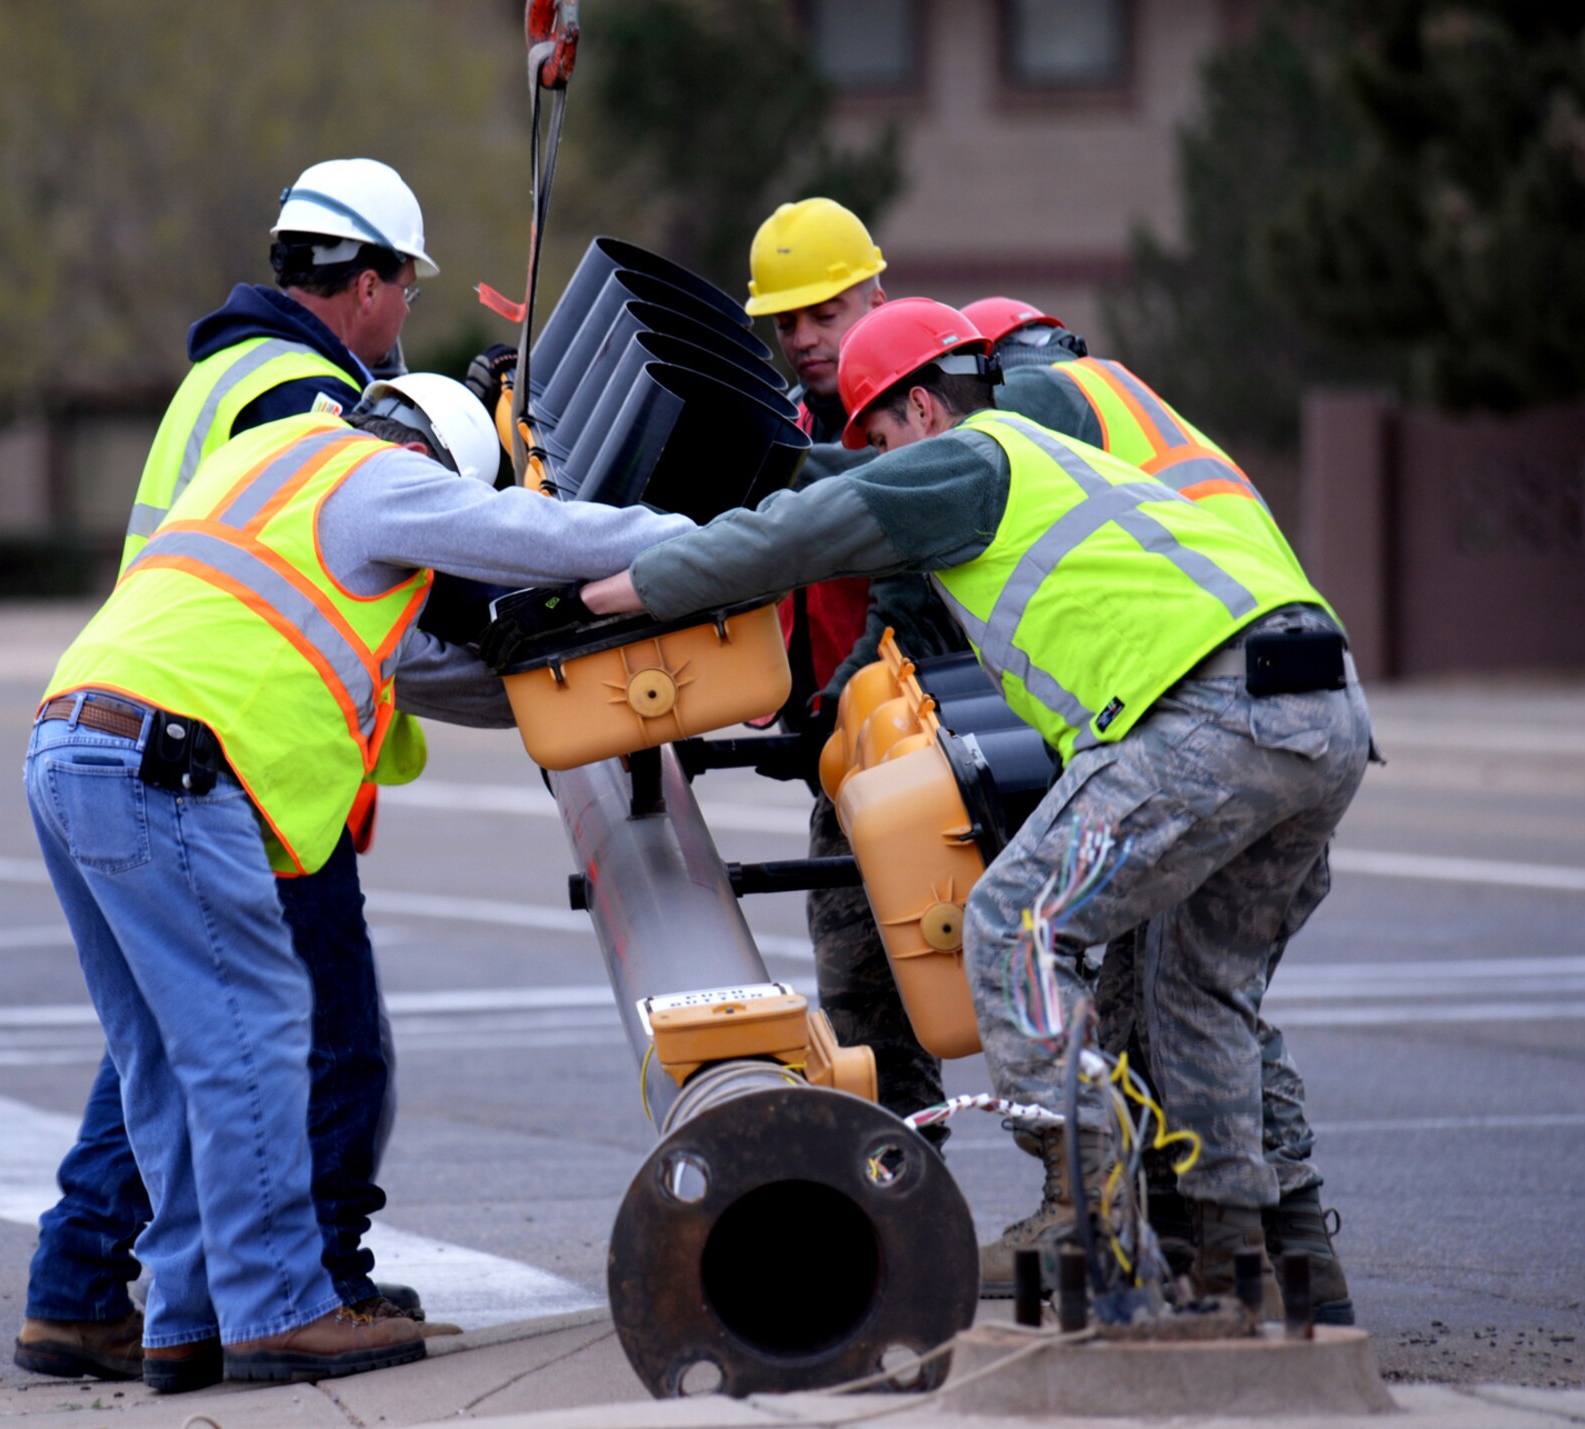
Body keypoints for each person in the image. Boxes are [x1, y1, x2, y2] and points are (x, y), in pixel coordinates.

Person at [577, 298, 1373, 1308]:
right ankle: (1242, 1264)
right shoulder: (1043, 456)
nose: (873, 458)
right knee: (1194, 994)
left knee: (1009, 920)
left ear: (919, 408)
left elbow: (799, 532)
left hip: (1213, 719)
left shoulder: (969, 459)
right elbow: (826, 484)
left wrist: (635, 583)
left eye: (876, 435)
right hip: (1322, 709)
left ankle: (1096, 1218)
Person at [28, 376, 690, 1390]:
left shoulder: (258, 469)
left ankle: (183, 1317)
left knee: (164, 1054)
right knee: (253, 1038)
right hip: (168, 760)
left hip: (73, 740)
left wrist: (557, 700)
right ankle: (281, 1310)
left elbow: (416, 665)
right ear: (433, 457)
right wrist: (705, 538)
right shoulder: (379, 477)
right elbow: (532, 535)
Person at [16, 158, 442, 1384]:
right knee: (308, 1037)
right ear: (363, 283)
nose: (405, 312)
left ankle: (85, 1284)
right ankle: (306, 1287)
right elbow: (332, 568)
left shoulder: (223, 370)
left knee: (171, 1034)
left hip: (154, 727)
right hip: (220, 753)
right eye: (402, 287)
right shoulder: (304, 399)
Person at [965, 296, 1351, 1321]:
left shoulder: (1035, 414)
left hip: (1214, 707)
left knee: (1066, 948)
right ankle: (1283, 1272)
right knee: (1205, 996)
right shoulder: (1147, 417)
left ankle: (1164, 1252)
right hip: (1304, 693)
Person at [743, 199, 964, 1132]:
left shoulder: (931, 411)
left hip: (954, 742)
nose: (803, 337)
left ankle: (1079, 1204)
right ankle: (909, 1194)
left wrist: (836, 706)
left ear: (879, 290)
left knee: (1004, 977)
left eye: (825, 313)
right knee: (861, 997)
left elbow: (904, 595)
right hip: (848, 746)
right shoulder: (787, 426)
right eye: (786, 321)